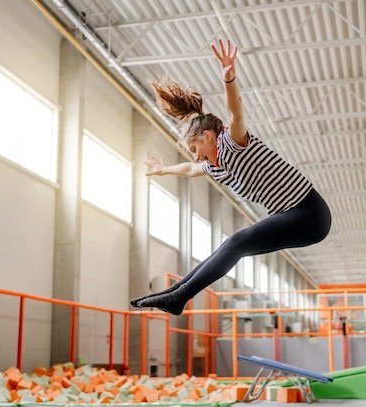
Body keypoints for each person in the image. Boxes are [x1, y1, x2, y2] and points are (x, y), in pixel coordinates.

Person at [130, 39, 332, 315]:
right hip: (293, 216)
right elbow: (190, 170)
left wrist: (229, 77)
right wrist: (164, 169)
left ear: (208, 137)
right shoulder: (215, 166)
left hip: (310, 213)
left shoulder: (232, 142)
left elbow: (236, 112)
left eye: (195, 148)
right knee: (231, 245)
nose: (195, 156)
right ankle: (174, 293)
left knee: (238, 242)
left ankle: (181, 295)